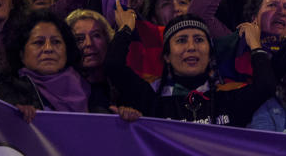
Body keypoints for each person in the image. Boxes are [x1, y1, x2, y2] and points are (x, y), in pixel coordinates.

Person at [107, 9, 275, 126]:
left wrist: (255, 44)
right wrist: (125, 29)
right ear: (167, 56)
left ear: (210, 54)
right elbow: (113, 66)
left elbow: (266, 86)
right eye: (181, 40)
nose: (191, 47)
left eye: (199, 40)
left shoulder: (228, 100)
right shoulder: (152, 103)